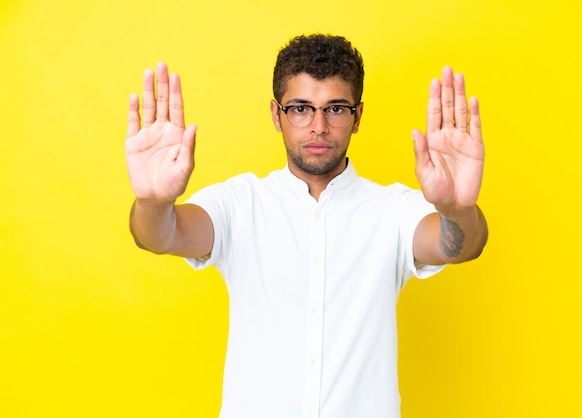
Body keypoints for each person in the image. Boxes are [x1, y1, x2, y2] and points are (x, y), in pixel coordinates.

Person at [125, 34, 488, 418]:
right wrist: (155, 201)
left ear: (358, 116)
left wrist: (456, 208)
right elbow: (160, 234)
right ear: (276, 114)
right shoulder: (240, 203)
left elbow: (460, 245)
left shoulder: (392, 209)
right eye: (300, 108)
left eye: (335, 108)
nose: (318, 126)